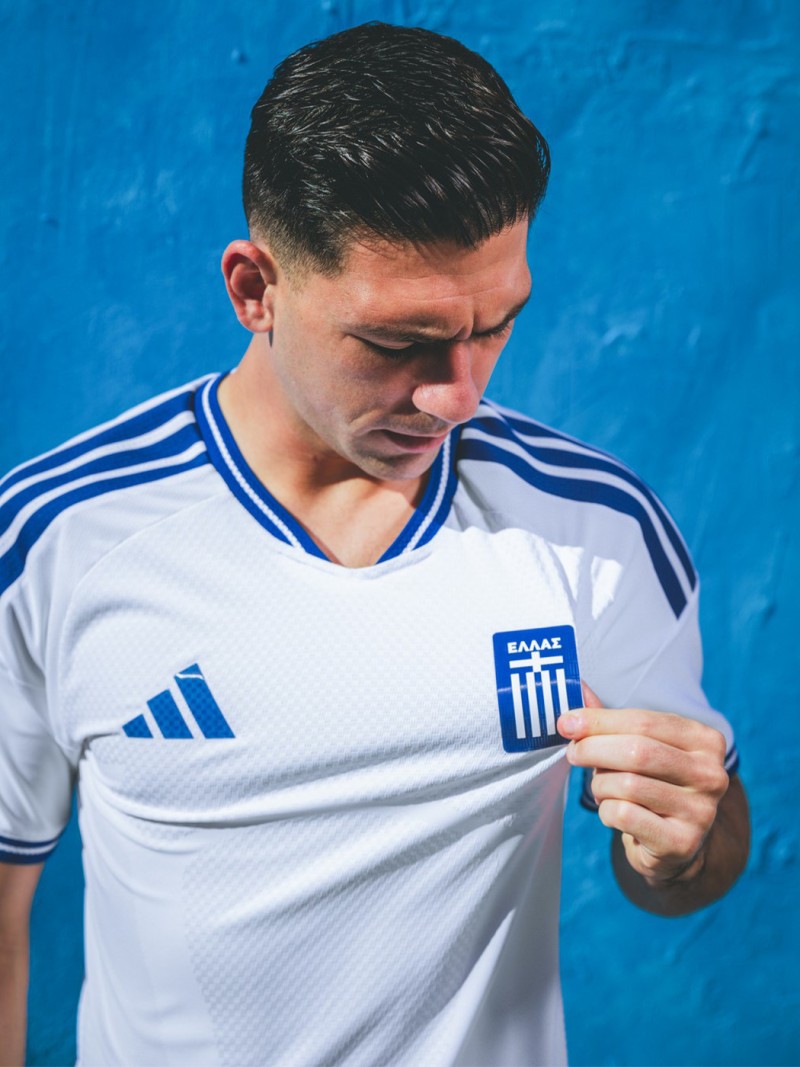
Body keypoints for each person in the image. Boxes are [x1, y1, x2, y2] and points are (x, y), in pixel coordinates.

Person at [0, 21, 749, 1067]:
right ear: (255, 289)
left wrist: (683, 844)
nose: (459, 391)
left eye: (494, 325)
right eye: (398, 342)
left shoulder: (596, 529)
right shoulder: (52, 545)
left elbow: (691, 854)